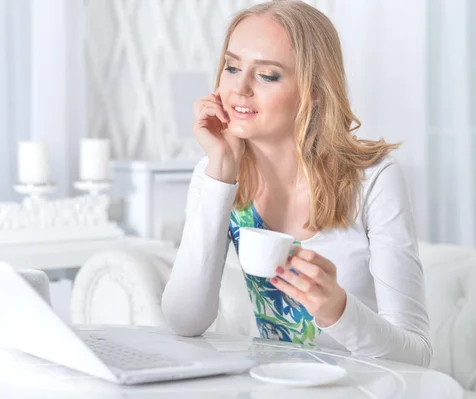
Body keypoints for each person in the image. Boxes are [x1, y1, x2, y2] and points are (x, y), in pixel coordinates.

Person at [161, 0, 432, 367]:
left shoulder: (373, 179)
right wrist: (221, 170)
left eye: (267, 75)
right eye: (232, 66)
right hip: (270, 388)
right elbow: (185, 320)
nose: (239, 88)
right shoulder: (217, 173)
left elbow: (417, 356)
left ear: (314, 92)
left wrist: (339, 309)